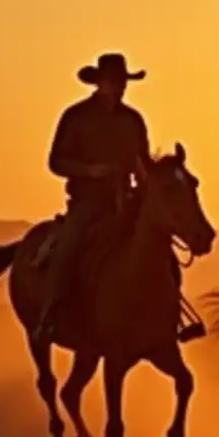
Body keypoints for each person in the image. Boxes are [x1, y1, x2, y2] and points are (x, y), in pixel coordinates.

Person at [32, 53, 151, 345]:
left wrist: (146, 181)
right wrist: (91, 171)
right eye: (114, 81)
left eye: (123, 81)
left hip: (125, 200)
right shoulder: (75, 117)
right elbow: (56, 161)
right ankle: (51, 314)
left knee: (155, 243)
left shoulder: (133, 120)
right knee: (68, 248)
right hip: (87, 202)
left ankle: (168, 315)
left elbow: (142, 162)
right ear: (99, 82)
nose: (120, 87)